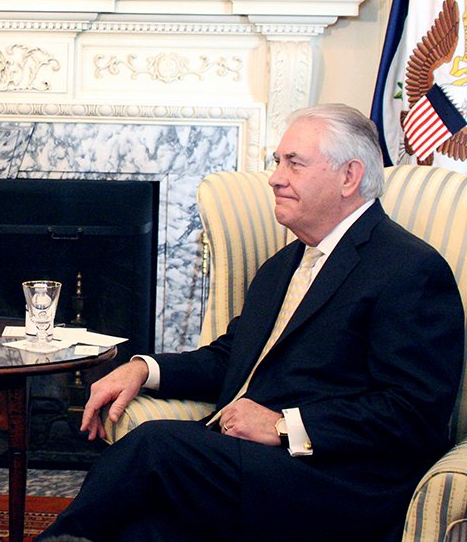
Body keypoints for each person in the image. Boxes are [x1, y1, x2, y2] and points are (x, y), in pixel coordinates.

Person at [39, 104, 465, 542]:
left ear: (349, 176)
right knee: (140, 531)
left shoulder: (409, 268)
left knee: (155, 444)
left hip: (337, 481)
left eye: (294, 163)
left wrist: (285, 426)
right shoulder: (284, 265)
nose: (275, 178)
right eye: (277, 162)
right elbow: (233, 359)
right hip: (251, 466)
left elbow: (413, 413)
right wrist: (144, 368)